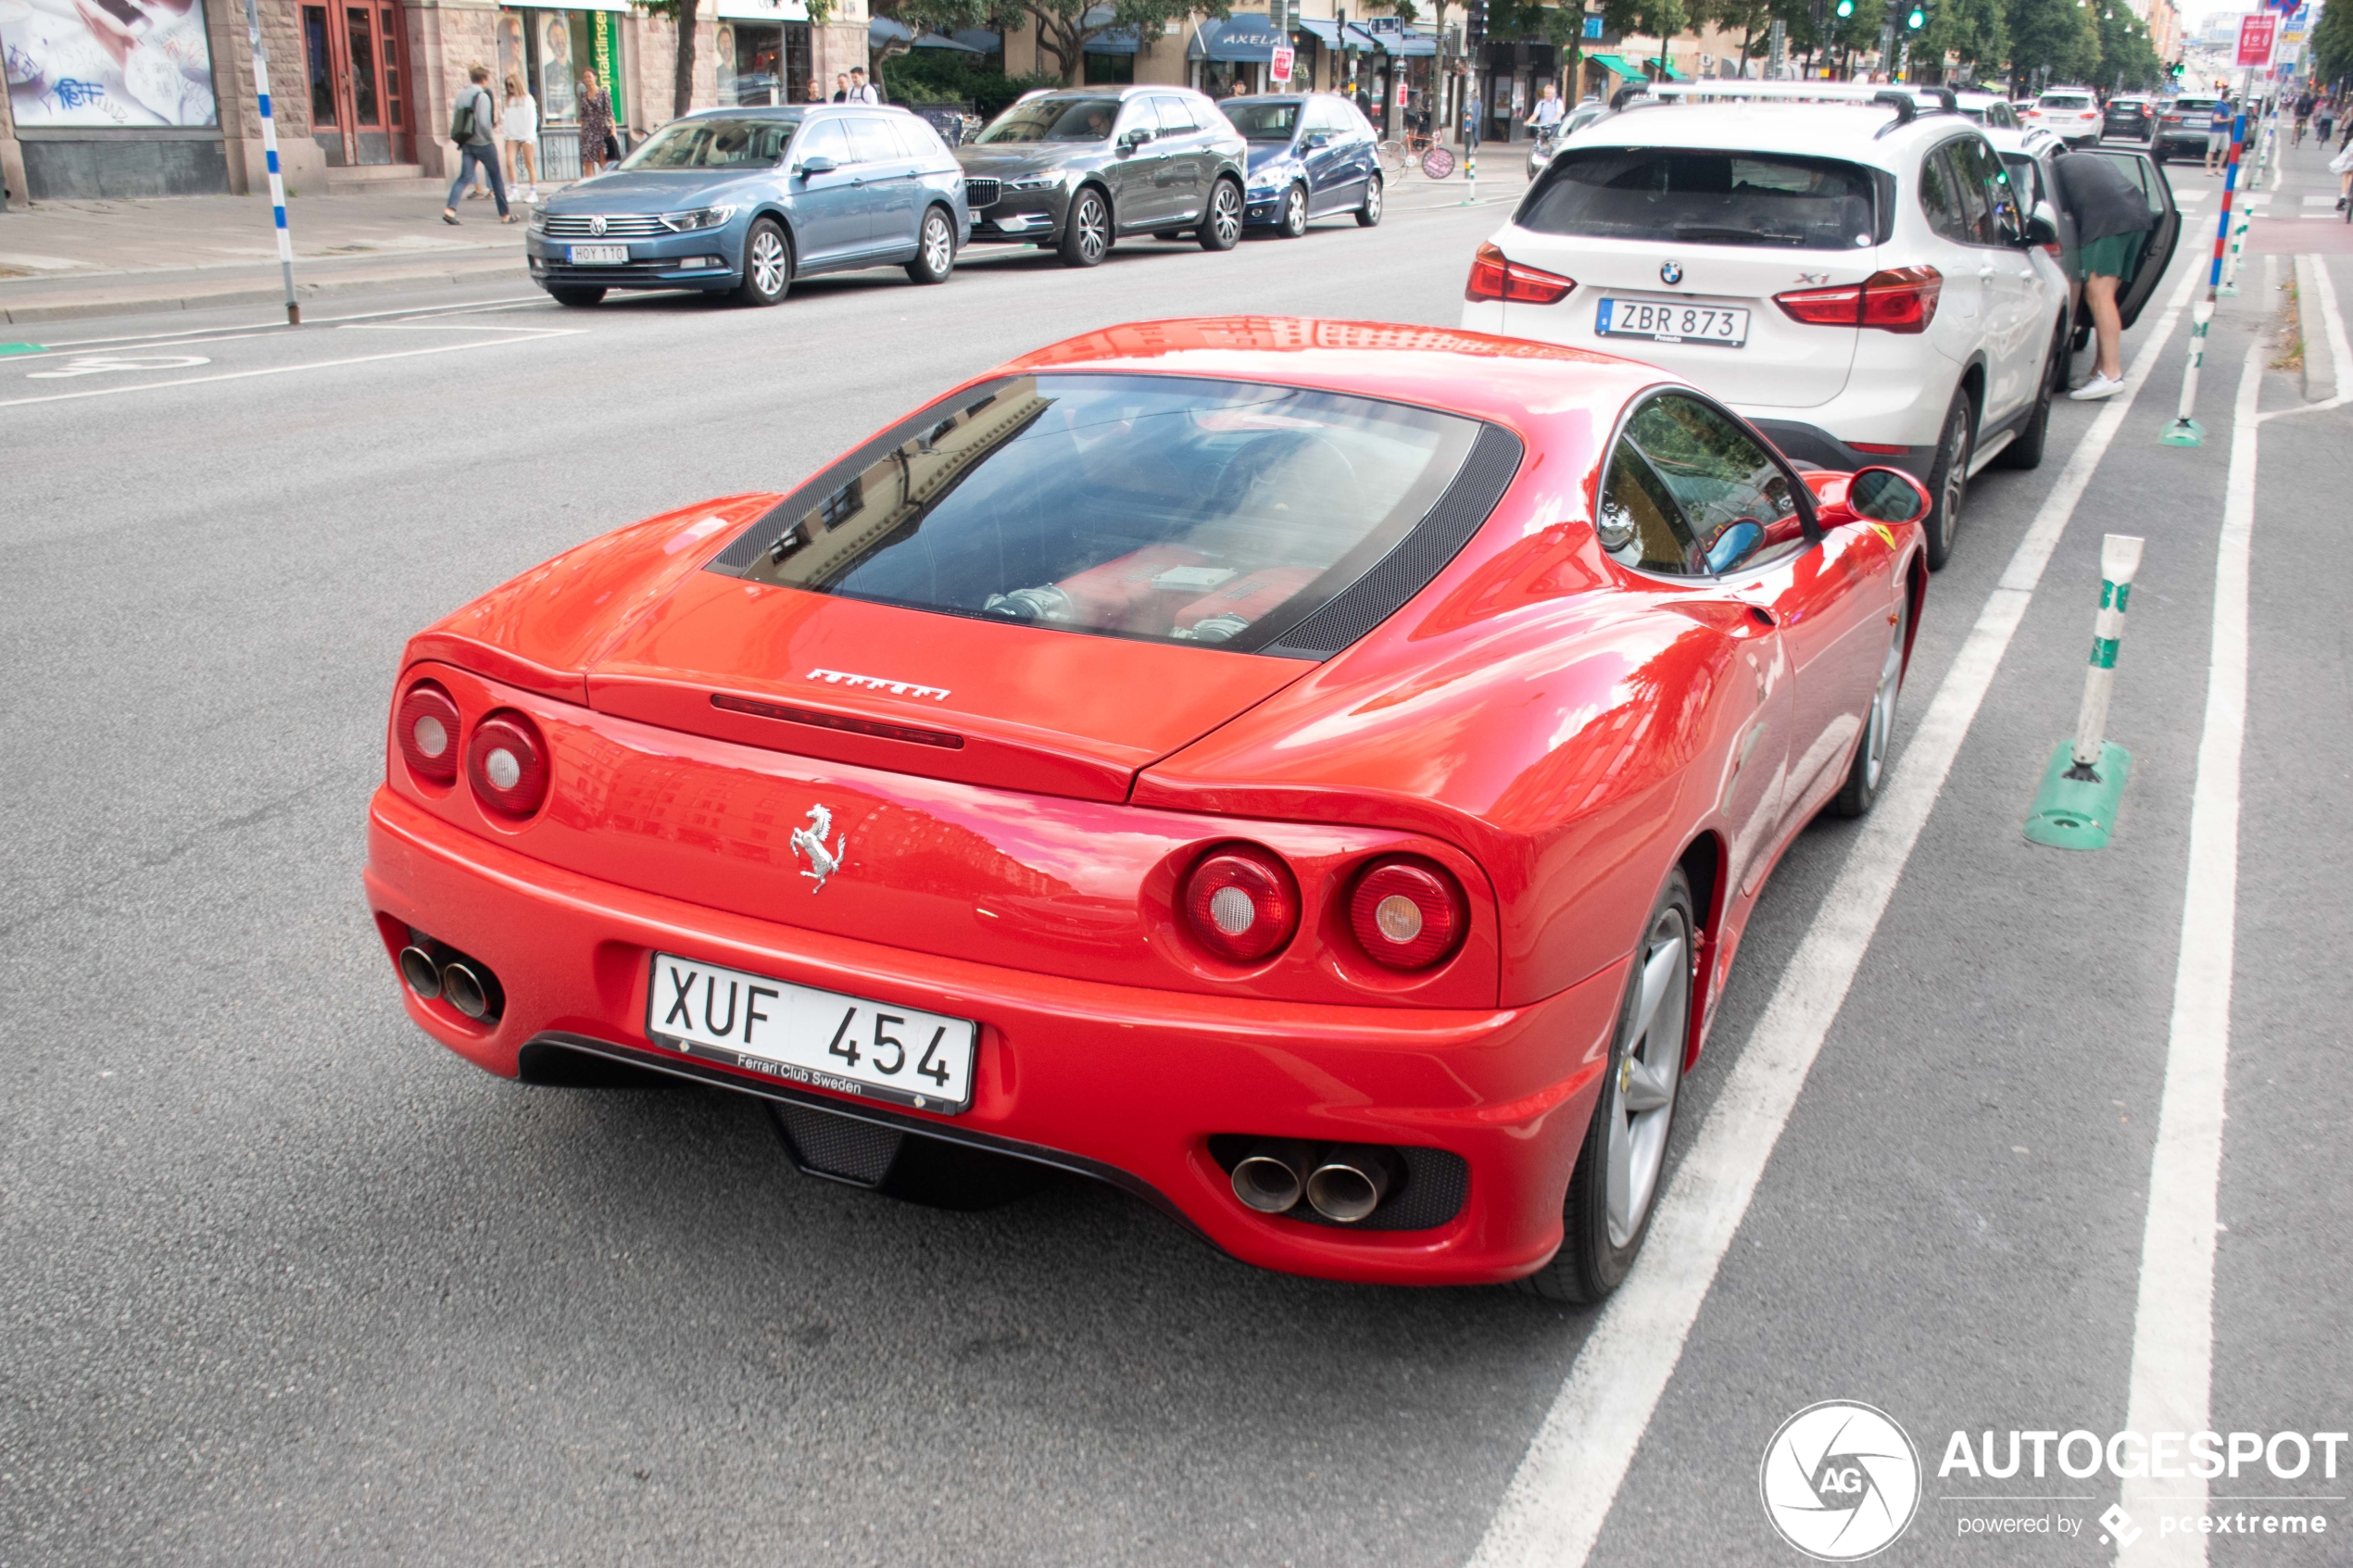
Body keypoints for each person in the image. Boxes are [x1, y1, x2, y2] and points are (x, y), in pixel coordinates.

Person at [2053, 146, 2156, 401]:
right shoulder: (2078, 161)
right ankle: (2099, 370)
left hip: (2110, 221)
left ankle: (2111, 374)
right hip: (2135, 215)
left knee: (2100, 295)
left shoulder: (2052, 169)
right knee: (2102, 296)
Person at [442, 65, 513, 225]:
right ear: (484, 79)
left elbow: (457, 118)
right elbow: (483, 122)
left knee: (464, 177)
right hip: (483, 143)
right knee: (496, 177)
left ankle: (450, 209)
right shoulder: (482, 96)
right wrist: (491, 137)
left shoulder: (461, 95)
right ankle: (505, 215)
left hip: (467, 142)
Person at [502, 73, 539, 203]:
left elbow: (532, 118)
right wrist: (506, 135)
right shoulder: (508, 100)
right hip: (512, 134)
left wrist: (530, 136)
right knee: (509, 162)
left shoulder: (527, 99)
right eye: (507, 85)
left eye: (511, 84)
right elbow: (506, 119)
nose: (509, 87)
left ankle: (533, 191)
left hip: (526, 134)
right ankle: (514, 190)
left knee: (529, 163)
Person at [578, 69, 615, 176]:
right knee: (587, 160)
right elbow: (583, 114)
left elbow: (609, 112)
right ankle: (589, 183)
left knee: (601, 158)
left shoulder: (603, 94)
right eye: (585, 77)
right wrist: (582, 131)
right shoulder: (583, 96)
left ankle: (607, 180)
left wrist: (613, 129)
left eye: (589, 77)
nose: (587, 79)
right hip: (587, 130)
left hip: (600, 129)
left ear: (595, 77)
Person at [2206, 96, 2233, 174]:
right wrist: (2228, 120)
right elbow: (2216, 119)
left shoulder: (2227, 106)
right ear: (2227, 96)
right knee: (2211, 150)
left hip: (2224, 130)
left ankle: (2218, 168)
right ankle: (2208, 170)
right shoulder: (2219, 106)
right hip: (2216, 131)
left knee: (2225, 149)